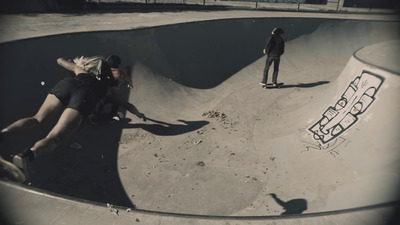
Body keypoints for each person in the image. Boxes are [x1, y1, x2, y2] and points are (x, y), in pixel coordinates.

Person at [0, 56, 145, 183]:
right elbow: (128, 105)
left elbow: (60, 60)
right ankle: (27, 155)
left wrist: (76, 62)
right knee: (55, 137)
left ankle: (3, 134)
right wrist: (139, 114)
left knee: (37, 119)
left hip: (68, 83)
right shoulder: (108, 90)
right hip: (85, 95)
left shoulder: (81, 70)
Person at [89, 55, 133, 124]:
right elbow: (127, 79)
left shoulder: (102, 69)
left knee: (100, 103)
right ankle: (112, 116)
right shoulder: (119, 72)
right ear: (117, 65)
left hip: (103, 92)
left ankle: (94, 115)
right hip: (114, 94)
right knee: (116, 102)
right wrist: (129, 73)